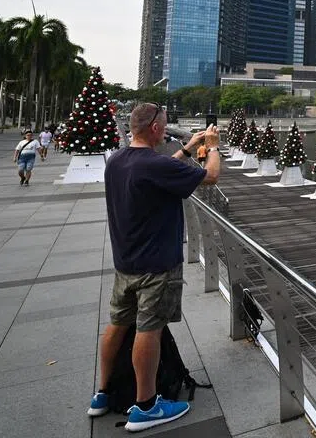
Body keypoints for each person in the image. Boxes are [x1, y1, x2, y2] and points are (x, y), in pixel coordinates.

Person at [87, 103, 221, 432]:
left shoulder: (118, 160)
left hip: (126, 262)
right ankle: (146, 405)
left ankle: (102, 393)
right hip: (156, 265)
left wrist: (188, 148)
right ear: (157, 129)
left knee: (118, 324)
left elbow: (157, 170)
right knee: (149, 329)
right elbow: (211, 176)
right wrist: (213, 148)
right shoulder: (154, 164)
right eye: (165, 124)